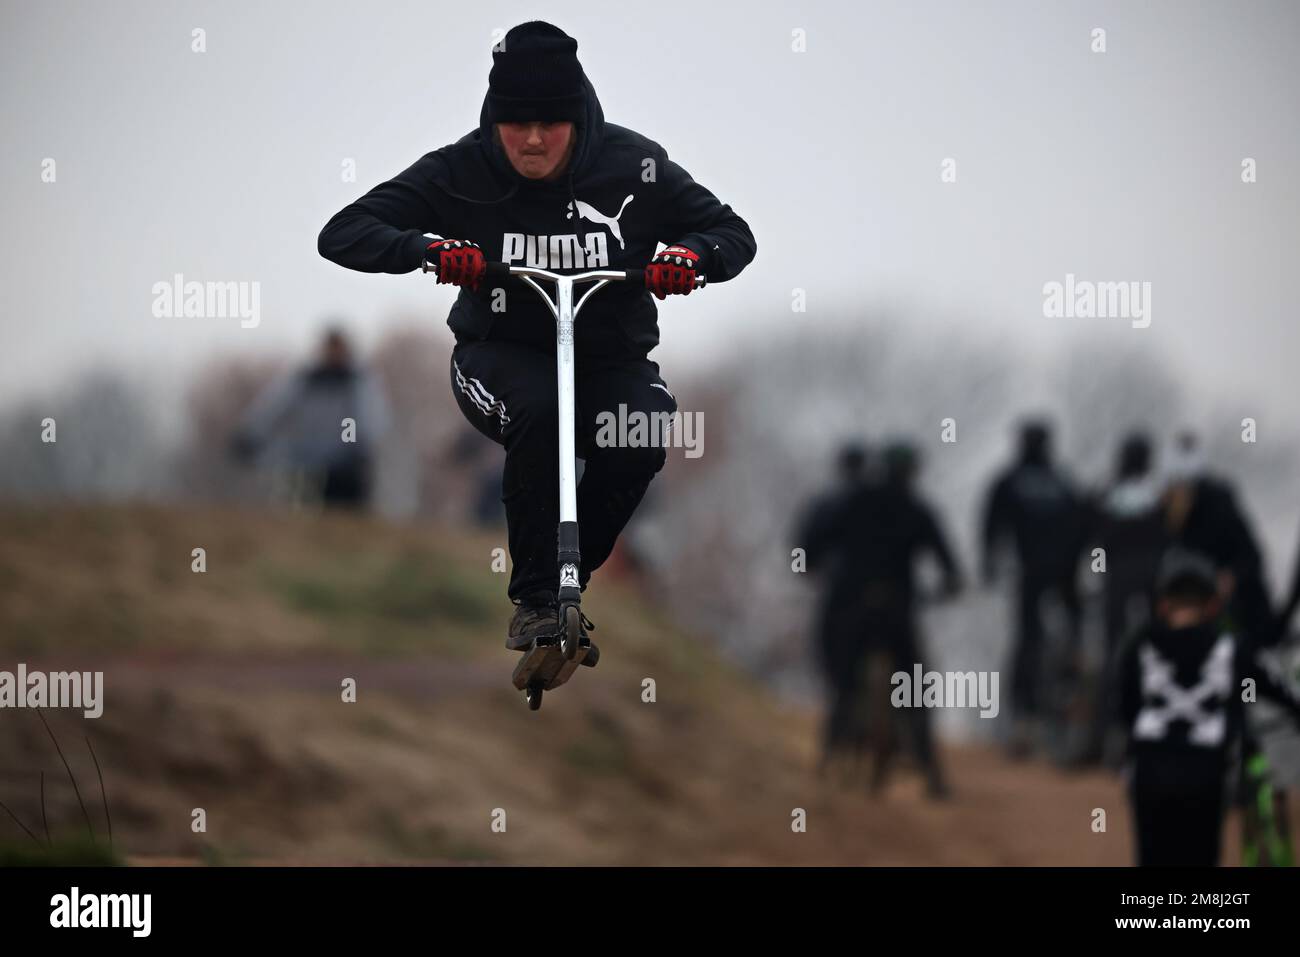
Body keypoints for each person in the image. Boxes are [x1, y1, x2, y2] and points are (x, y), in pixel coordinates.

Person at [317, 22, 756, 651]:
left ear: (577, 118)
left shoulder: (637, 168)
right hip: (498, 357)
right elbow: (343, 232)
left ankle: (564, 582)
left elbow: (733, 232)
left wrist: (692, 256)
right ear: (494, 119)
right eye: (515, 124)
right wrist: (428, 248)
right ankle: (533, 603)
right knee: (541, 408)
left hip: (610, 361)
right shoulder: (459, 170)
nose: (530, 140)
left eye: (548, 124)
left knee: (647, 428)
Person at [1117, 548, 1300, 866]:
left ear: (1162, 604)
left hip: (1150, 775)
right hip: (1205, 778)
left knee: (1152, 859)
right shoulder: (1231, 649)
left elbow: (1123, 707)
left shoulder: (1139, 646)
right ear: (1214, 605)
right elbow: (1276, 692)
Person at [810, 440, 962, 798]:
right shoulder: (917, 508)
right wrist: (948, 585)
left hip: (849, 606)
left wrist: (820, 567)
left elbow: (812, 543)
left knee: (844, 683)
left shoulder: (849, 501)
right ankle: (931, 774)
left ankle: (831, 753)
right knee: (913, 689)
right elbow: (948, 564)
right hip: (897, 609)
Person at [980, 420, 1088, 753]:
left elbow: (992, 526)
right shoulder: (1062, 480)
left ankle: (1024, 715)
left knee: (1028, 641)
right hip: (1066, 573)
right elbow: (1084, 522)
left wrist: (990, 564)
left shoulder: (1009, 480)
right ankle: (1070, 691)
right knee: (1072, 632)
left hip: (1032, 572)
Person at [231, 327, 390, 509]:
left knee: (347, 520)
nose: (334, 354)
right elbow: (275, 407)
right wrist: (252, 434)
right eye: (331, 349)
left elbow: (367, 417)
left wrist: (358, 446)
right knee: (299, 517)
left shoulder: (356, 384)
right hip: (305, 463)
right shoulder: (306, 381)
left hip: (345, 466)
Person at [1083, 431, 1168, 765]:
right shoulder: (1160, 497)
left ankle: (1100, 740)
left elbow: (1093, 539)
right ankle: (1144, 739)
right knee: (1153, 658)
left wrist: (1093, 573)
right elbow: (1168, 538)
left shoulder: (1104, 494)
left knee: (1111, 658)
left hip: (1115, 580)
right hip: (1151, 583)